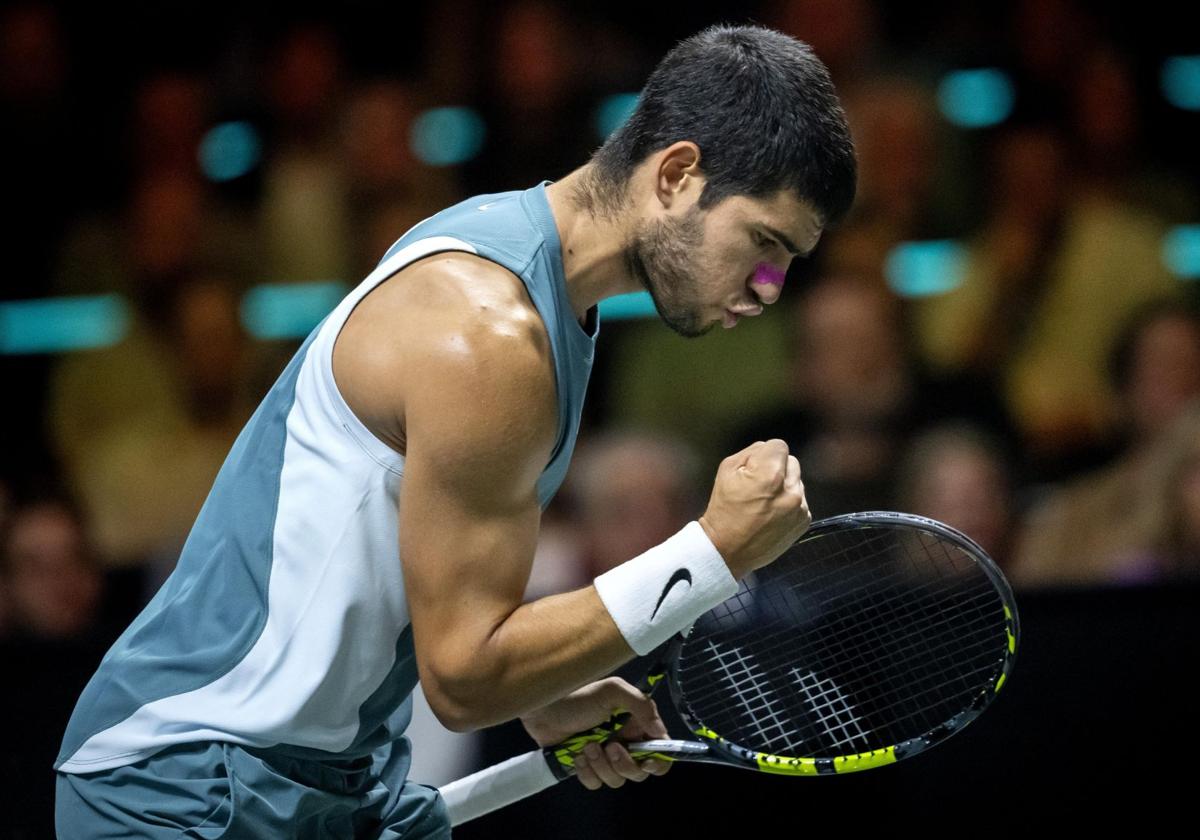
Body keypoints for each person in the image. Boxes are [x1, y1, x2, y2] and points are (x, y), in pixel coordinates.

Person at [54, 24, 855, 838]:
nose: (768, 287)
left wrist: (543, 693)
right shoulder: (489, 333)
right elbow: (465, 679)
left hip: (300, 783)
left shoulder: (528, 281)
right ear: (678, 176)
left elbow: (434, 594)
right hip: (187, 787)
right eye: (764, 242)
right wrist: (712, 553)